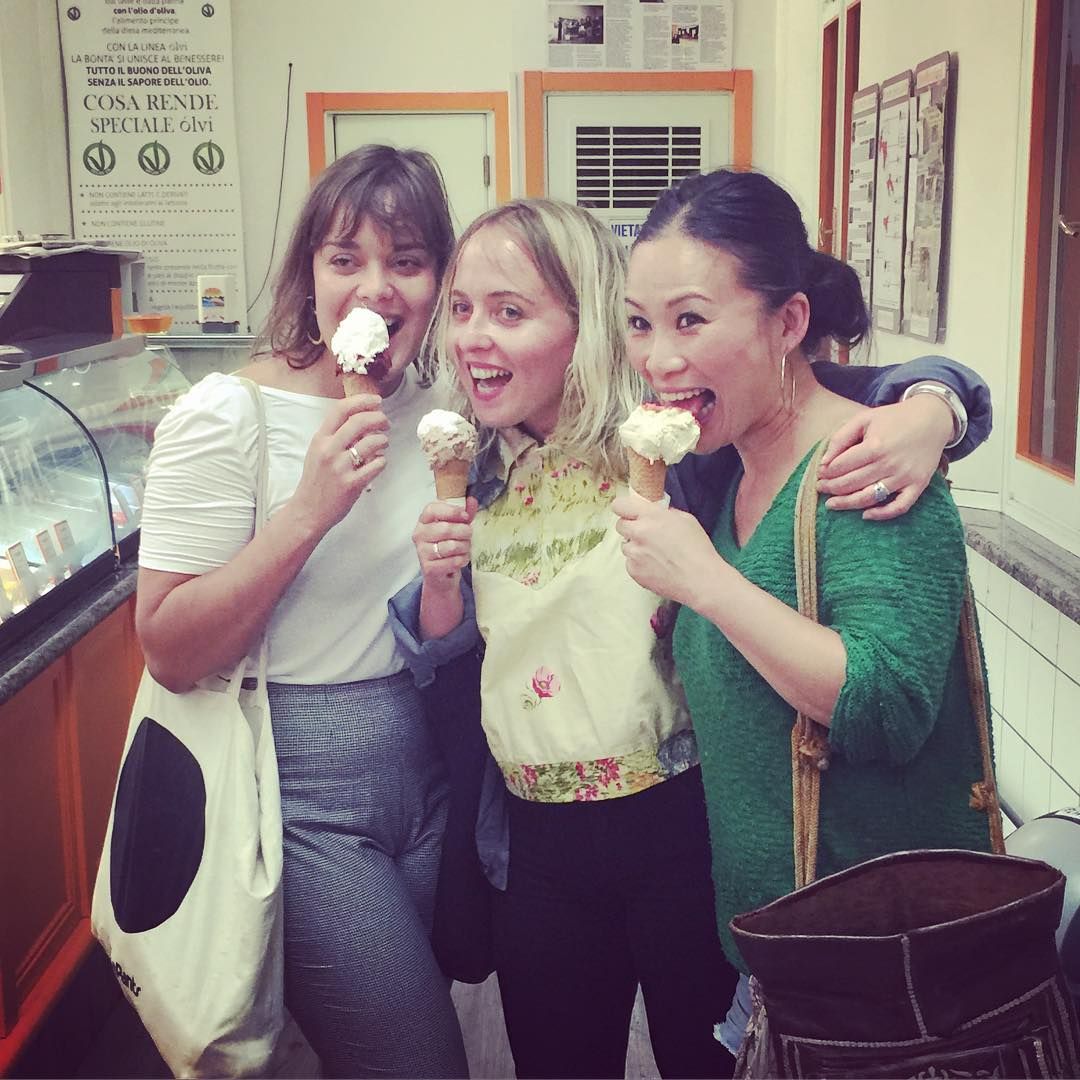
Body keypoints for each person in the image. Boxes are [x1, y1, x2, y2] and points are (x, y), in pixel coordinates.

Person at [390, 196, 991, 1079]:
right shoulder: (478, 468)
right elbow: (460, 671)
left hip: (692, 831)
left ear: (584, 324)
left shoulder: (677, 445)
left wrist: (937, 406)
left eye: (510, 311)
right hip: (537, 836)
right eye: (463, 309)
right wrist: (439, 585)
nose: (476, 335)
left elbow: (835, 394)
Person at [612, 168, 995, 1055]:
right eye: (639, 323)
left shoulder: (868, 469)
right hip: (773, 971)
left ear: (788, 323)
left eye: (691, 320)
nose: (658, 359)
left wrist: (707, 584)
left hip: (889, 989)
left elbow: (887, 707)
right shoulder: (721, 473)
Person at [134, 145, 469, 1078]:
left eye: (408, 261)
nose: (377, 287)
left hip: (429, 771)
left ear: (440, 280)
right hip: (298, 789)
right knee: (419, 1062)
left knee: (371, 1038)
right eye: (345, 258)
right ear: (308, 274)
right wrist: (309, 510)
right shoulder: (225, 415)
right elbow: (166, 646)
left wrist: (877, 401)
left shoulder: (445, 409)